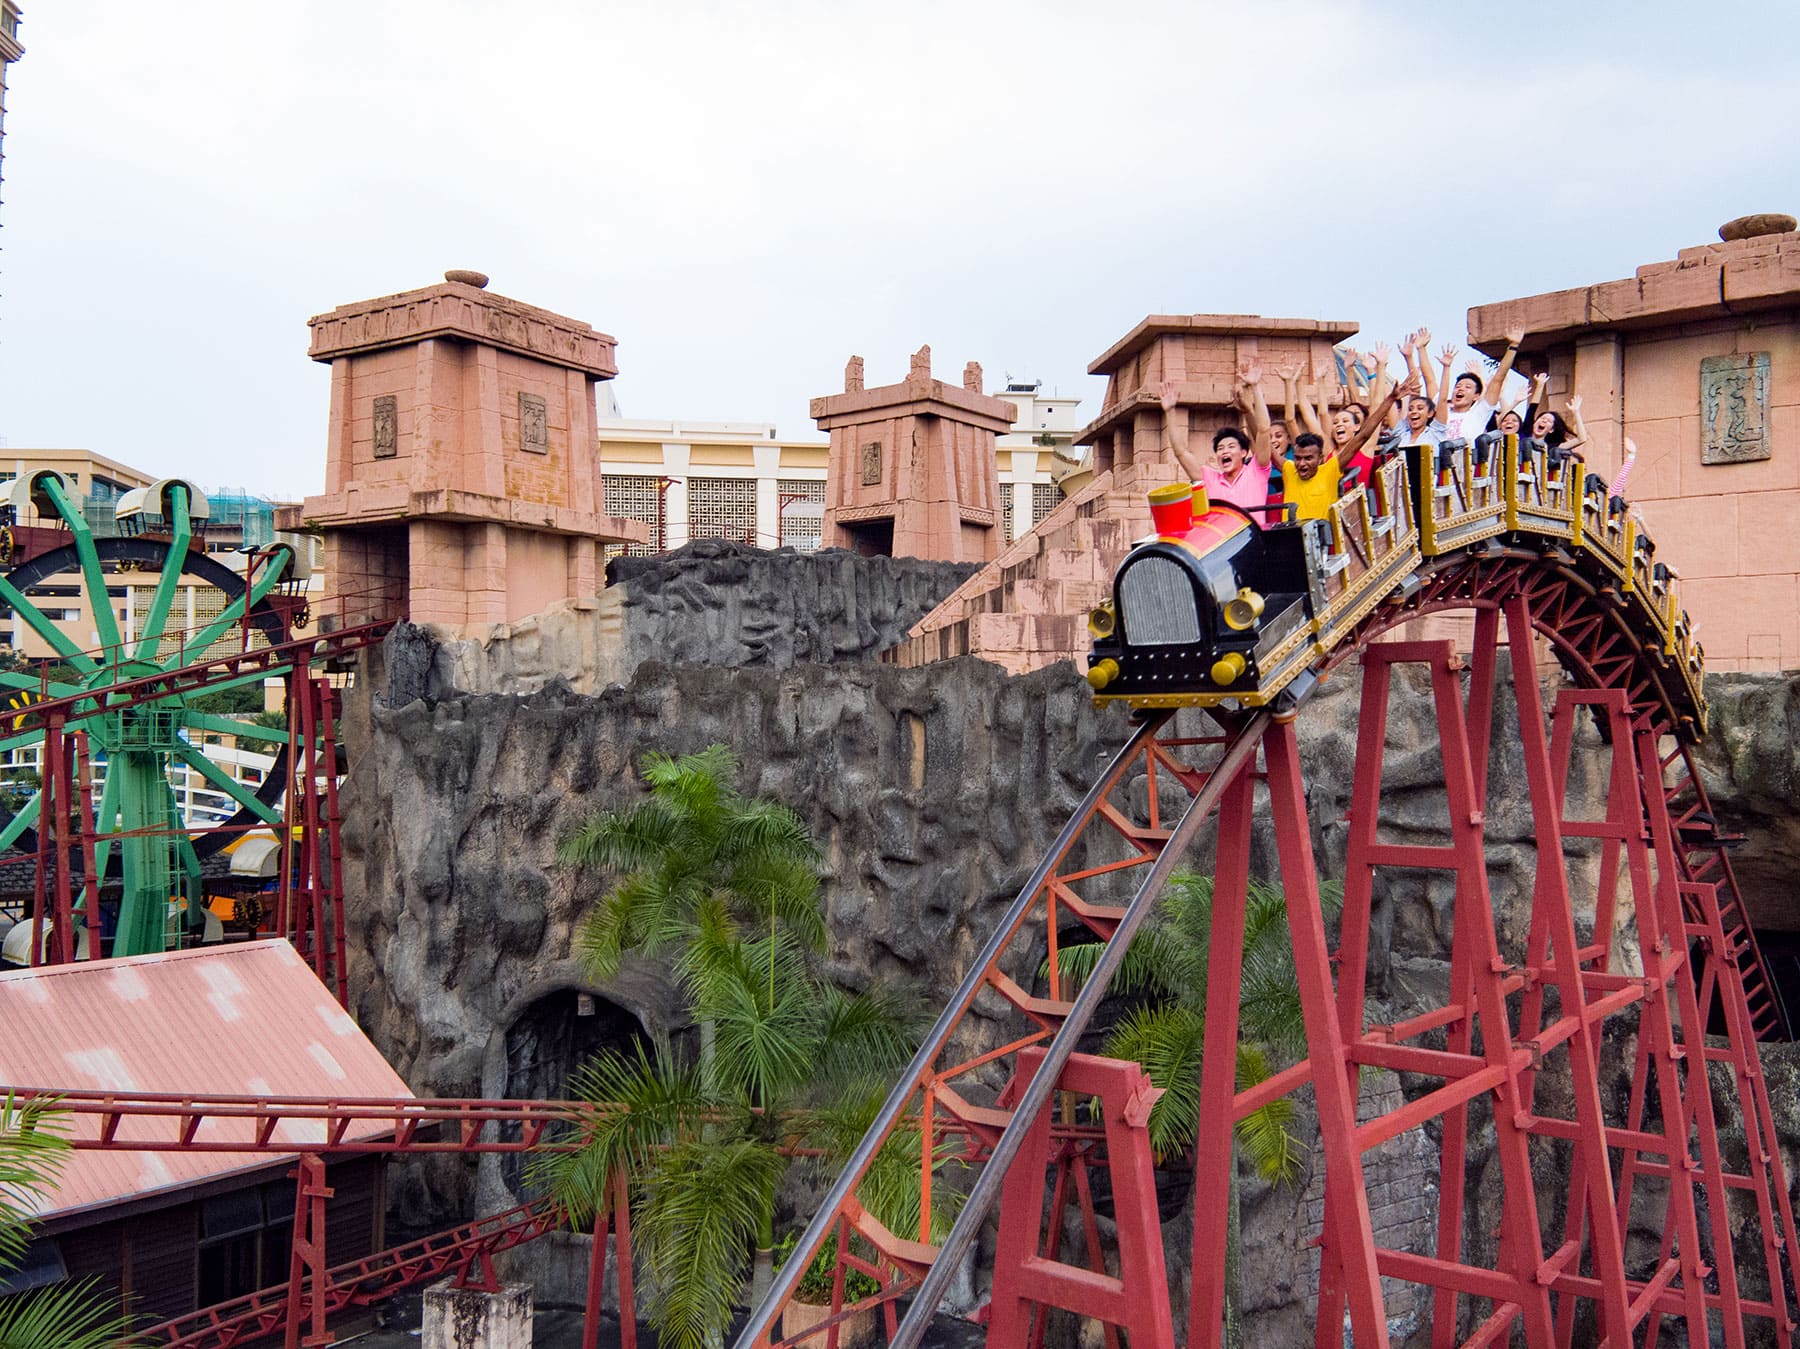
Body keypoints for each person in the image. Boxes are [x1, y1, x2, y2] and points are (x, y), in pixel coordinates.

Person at [1282, 373, 1412, 520]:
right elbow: (1313, 416)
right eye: (1336, 422)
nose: (1339, 425)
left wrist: (1390, 397)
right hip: (1332, 506)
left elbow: (1367, 430)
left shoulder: (1363, 448)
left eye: (1345, 421)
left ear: (1357, 426)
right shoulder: (1329, 453)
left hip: (1357, 511)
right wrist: (1297, 381)